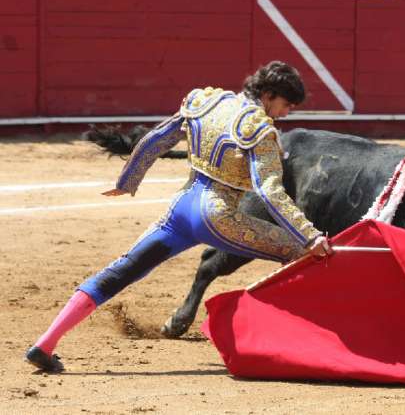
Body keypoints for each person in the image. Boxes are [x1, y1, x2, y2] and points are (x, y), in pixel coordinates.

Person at [25, 61, 333, 373]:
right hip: (219, 216)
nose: (285, 113)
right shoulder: (260, 129)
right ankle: (290, 343)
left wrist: (127, 181)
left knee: (121, 270)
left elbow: (156, 139)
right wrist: (309, 235)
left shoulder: (205, 101)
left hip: (181, 208)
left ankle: (45, 343)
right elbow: (268, 191)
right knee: (303, 254)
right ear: (268, 95)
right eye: (285, 105)